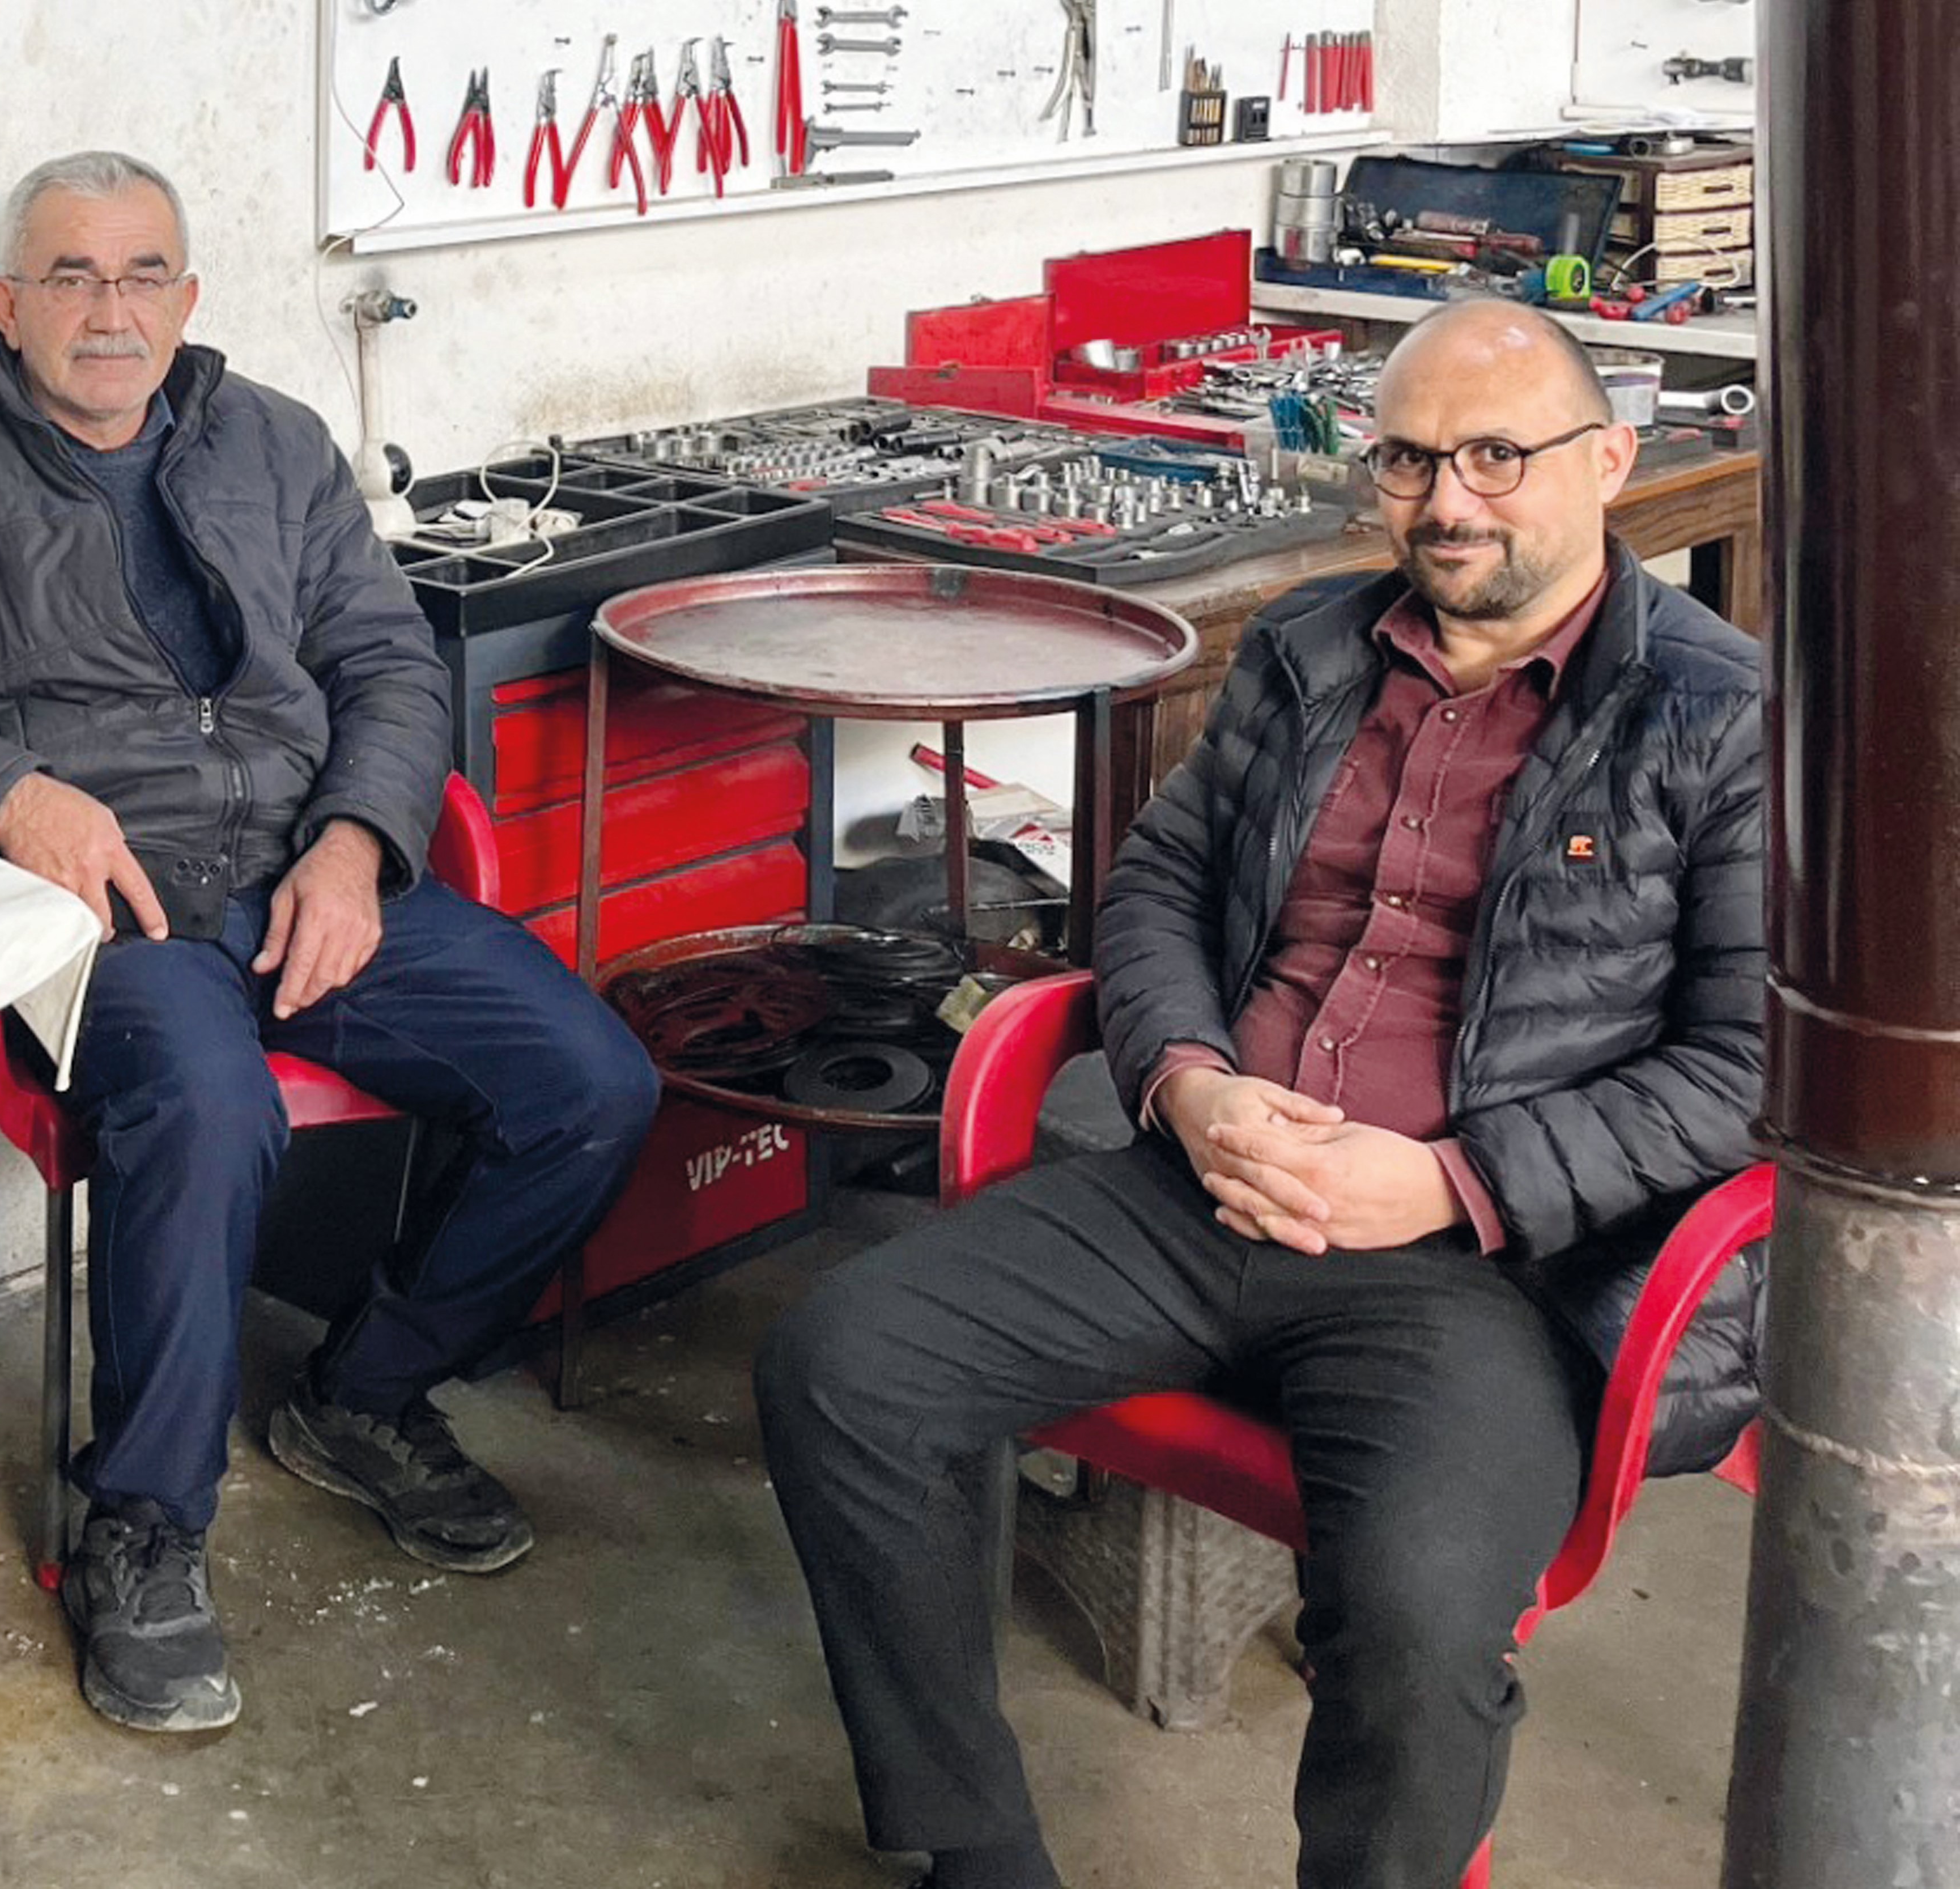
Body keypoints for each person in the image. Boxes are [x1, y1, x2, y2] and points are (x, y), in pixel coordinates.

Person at [754, 298, 1766, 1889]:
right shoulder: (1309, 648)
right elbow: (1157, 885)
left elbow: (1750, 1067)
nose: (1448, 500)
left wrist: (1452, 1183)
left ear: (1610, 462)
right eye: (1410, 460)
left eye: (1498, 457)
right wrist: (1187, 1082)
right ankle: (975, 1848)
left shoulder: (1724, 716)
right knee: (843, 1367)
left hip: (1475, 1266)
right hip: (1204, 1181)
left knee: (1421, 1618)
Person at [0, 151, 660, 1733]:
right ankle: (145, 1523)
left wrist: (359, 845)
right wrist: (12, 795)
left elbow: (388, 663)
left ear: (188, 298)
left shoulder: (275, 442)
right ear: (7, 304)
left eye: (142, 276)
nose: (111, 313)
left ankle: (365, 1393)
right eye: (73, 278)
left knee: (594, 1084)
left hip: (312, 869)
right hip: (112, 908)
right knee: (209, 1111)